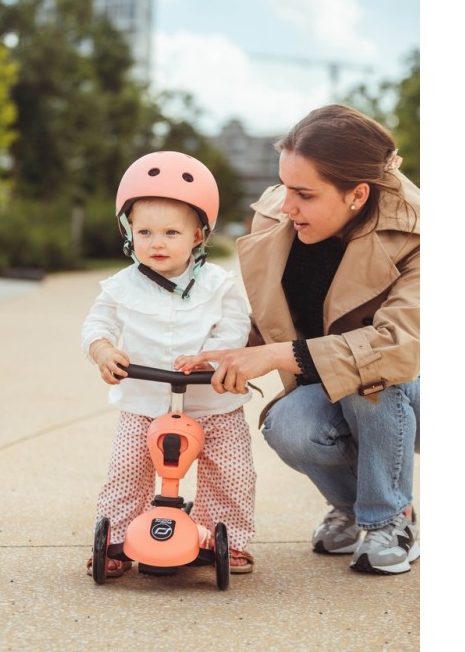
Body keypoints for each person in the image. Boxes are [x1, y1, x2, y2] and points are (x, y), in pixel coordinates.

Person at [176, 105, 420, 576]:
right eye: (284, 185)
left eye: (304, 194)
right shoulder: (279, 218)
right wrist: (219, 349)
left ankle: (391, 520)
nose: (286, 205)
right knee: (289, 425)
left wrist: (274, 356)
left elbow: (396, 347)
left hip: (409, 390)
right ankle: (351, 509)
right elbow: (274, 320)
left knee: (369, 381)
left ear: (357, 194)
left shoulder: (420, 235)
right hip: (329, 383)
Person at [81, 150, 257, 577]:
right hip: (144, 402)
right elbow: (97, 322)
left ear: (197, 235)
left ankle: (226, 538)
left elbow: (236, 325)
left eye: (171, 232)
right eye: (144, 231)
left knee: (231, 471)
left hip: (212, 402)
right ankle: (116, 540)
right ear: (129, 232)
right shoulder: (122, 286)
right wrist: (103, 349)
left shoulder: (219, 284)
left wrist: (212, 354)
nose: (156, 243)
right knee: (126, 470)